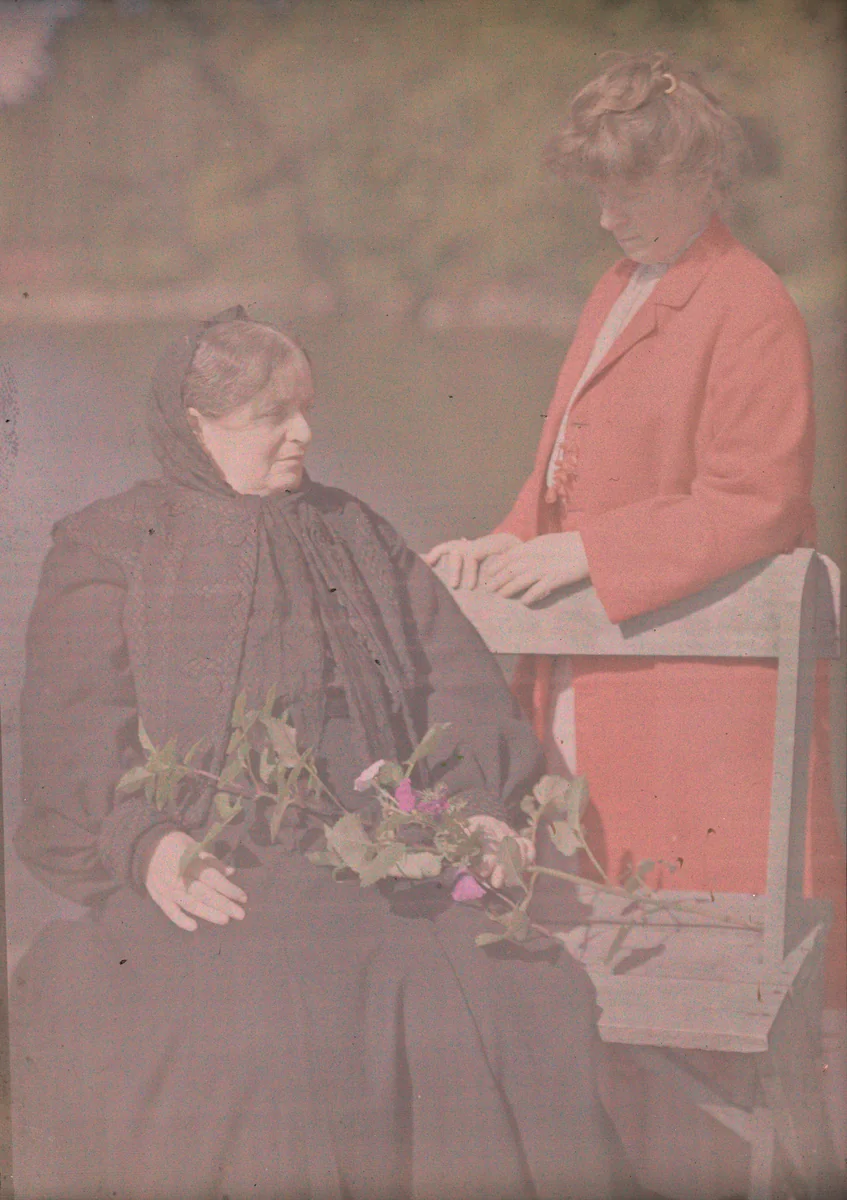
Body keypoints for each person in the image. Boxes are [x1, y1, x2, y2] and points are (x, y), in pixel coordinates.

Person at [10, 309, 633, 1200]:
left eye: (305, 409)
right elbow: (75, 734)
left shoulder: (353, 530)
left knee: (506, 997)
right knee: (254, 1039)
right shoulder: (108, 546)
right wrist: (146, 847)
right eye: (274, 417)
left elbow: (446, 687)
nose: (305, 433)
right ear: (198, 428)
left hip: (379, 855)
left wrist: (485, 811)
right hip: (212, 871)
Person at [424, 50, 846, 1190]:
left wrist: (583, 555)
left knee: (678, 977)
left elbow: (754, 499)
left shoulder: (750, 302)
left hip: (689, 708)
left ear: (703, 177)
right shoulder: (616, 288)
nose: (605, 213)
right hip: (594, 680)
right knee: (584, 956)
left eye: (628, 190)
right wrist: (512, 536)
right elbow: (560, 467)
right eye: (596, 191)